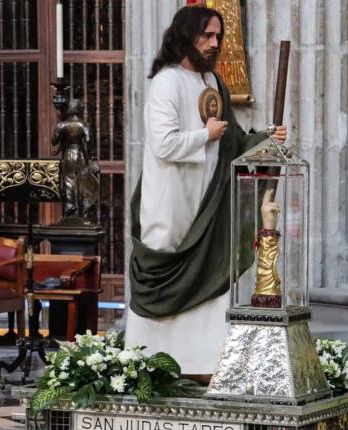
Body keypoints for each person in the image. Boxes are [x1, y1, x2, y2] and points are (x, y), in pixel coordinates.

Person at [126, 5, 287, 379]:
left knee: (209, 271)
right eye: (207, 35)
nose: (214, 43)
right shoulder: (165, 82)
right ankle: (149, 359)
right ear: (185, 36)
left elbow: (231, 140)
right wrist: (205, 135)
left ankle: (202, 364)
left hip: (208, 200)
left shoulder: (212, 82)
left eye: (218, 36)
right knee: (166, 268)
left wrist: (267, 138)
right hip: (170, 201)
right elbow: (164, 144)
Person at [51, 99, 100, 220]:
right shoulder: (84, 125)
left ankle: (70, 209)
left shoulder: (62, 125)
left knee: (69, 182)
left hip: (68, 155)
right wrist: (92, 156)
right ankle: (81, 211)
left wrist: (59, 129)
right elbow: (89, 142)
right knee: (81, 183)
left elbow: (54, 141)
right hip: (80, 155)